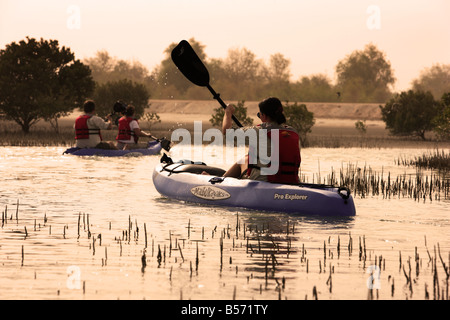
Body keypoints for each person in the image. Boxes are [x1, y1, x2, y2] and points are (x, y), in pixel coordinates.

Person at [221, 97, 301, 184]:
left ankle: (220, 182)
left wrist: (228, 113)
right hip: (291, 182)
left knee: (245, 159)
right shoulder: (292, 132)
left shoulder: (258, 131)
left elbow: (227, 132)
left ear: (264, 116)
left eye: (259, 115)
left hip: (262, 182)